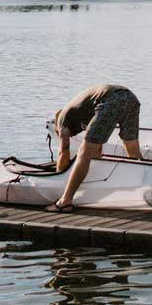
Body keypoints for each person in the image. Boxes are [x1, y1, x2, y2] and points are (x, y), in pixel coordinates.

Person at [49, 82, 143, 211]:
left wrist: (60, 177)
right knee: (133, 149)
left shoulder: (62, 120)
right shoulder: (80, 113)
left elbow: (64, 150)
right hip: (129, 97)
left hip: (111, 99)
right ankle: (145, 185)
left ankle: (65, 201)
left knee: (84, 152)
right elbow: (97, 146)